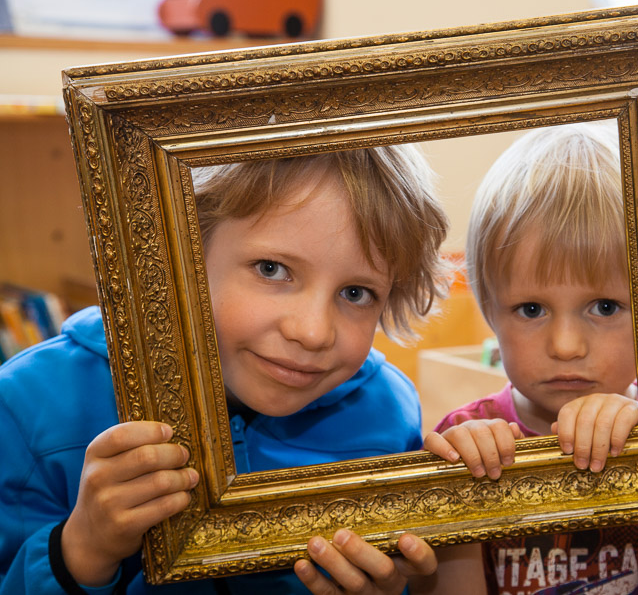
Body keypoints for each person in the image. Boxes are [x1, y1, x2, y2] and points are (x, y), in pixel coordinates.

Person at [0, 146, 452, 595]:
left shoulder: (387, 414)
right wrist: (81, 551)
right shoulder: (29, 406)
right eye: (272, 269)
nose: (313, 333)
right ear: (178, 252)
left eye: (356, 293)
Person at [421, 122, 638, 595]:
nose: (565, 345)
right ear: (489, 312)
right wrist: (458, 508)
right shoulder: (463, 441)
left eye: (604, 307)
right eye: (531, 309)